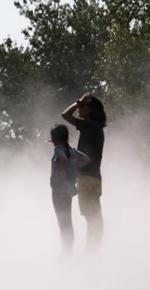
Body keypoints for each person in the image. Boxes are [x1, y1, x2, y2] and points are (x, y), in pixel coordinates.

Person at [62, 92, 106, 250]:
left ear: (90, 109)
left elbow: (65, 115)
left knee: (93, 220)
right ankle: (92, 253)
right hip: (94, 179)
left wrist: (77, 102)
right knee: (95, 220)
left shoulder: (89, 126)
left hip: (86, 179)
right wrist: (82, 102)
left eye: (84, 106)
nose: (80, 107)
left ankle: (90, 255)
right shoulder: (96, 128)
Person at [48, 124, 91, 254]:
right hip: (67, 191)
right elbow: (86, 159)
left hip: (59, 191)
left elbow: (63, 159)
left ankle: (65, 256)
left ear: (54, 138)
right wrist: (74, 169)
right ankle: (68, 254)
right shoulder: (72, 150)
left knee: (63, 225)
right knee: (68, 224)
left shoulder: (58, 149)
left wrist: (63, 171)